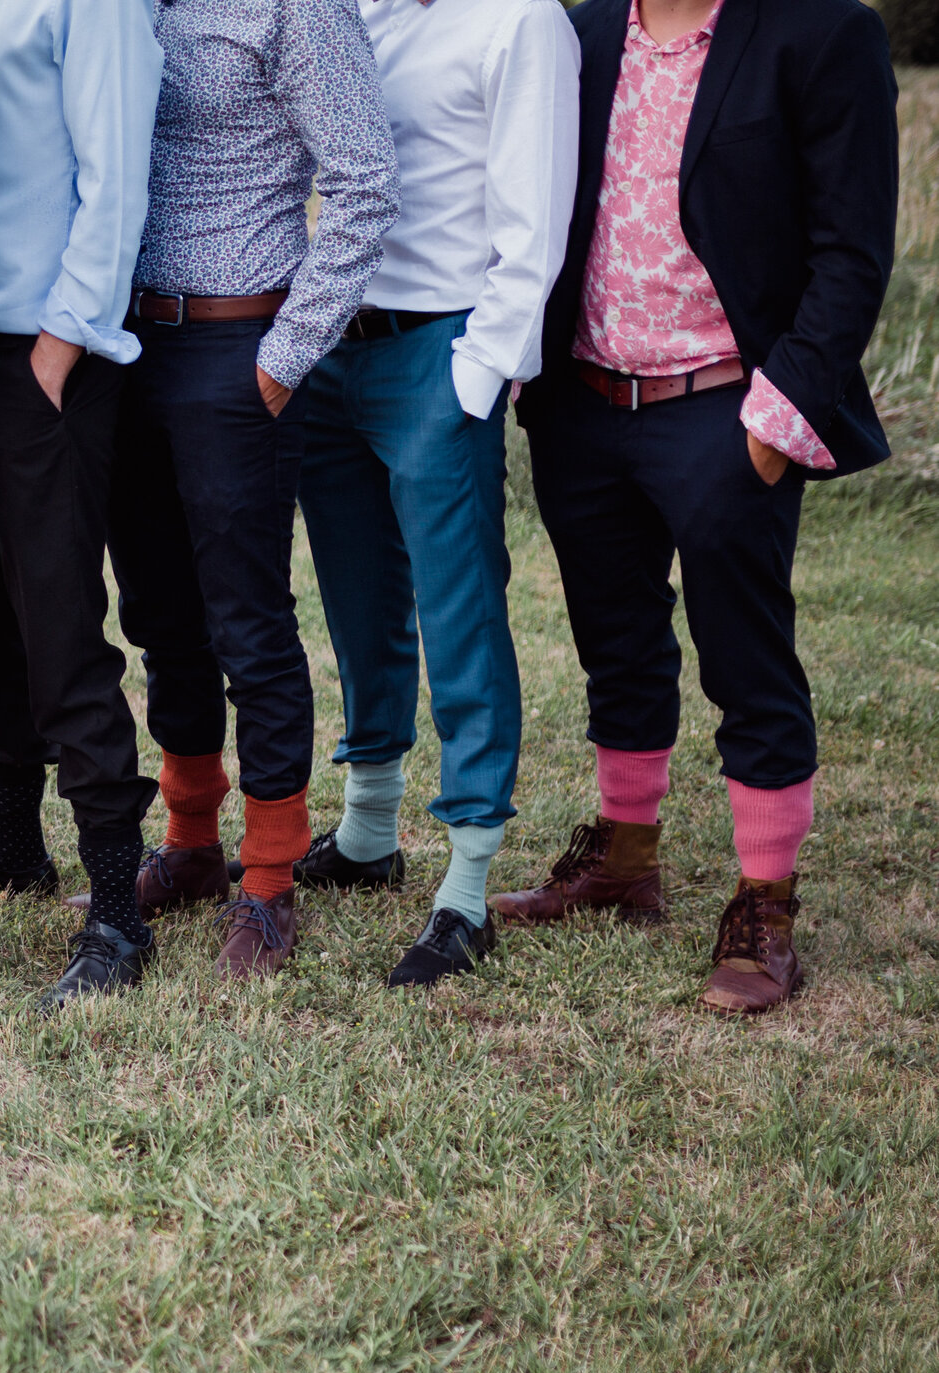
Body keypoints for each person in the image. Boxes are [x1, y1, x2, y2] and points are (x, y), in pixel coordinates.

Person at [497, 0, 897, 1016]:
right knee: (615, 644)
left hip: (726, 410)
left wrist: (777, 416)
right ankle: (624, 858)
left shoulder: (819, 32)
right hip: (583, 403)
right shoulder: (576, 36)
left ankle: (765, 903)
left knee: (745, 659)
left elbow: (851, 247)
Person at [97, 0, 398, 979]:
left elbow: (361, 177)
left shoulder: (294, 4)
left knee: (246, 622)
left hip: (240, 344)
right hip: (126, 343)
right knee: (157, 614)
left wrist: (284, 355)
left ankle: (267, 879)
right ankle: (188, 843)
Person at [291, 0, 579, 988]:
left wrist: (479, 368)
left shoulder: (518, 20)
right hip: (332, 342)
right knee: (358, 601)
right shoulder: (346, 14)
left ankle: (465, 886)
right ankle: (369, 832)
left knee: (458, 609)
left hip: (438, 351)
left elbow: (534, 220)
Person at [0, 0, 163, 1010]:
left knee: (58, 621)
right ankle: (13, 841)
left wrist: (61, 340)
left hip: (43, 351)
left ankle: (115, 907)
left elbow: (116, 179)